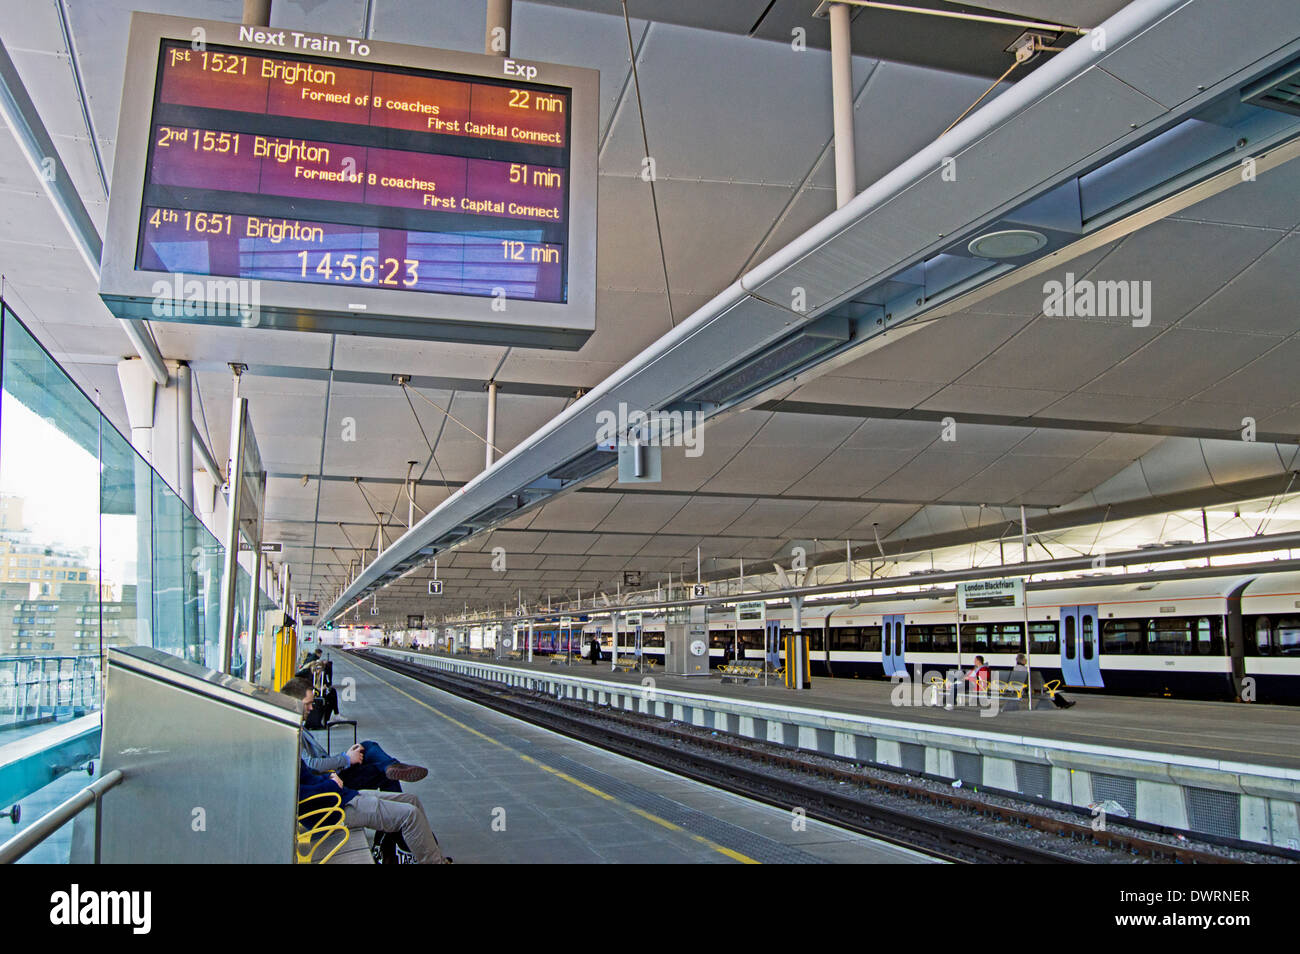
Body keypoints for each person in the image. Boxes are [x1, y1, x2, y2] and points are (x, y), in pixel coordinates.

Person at [281, 676, 429, 789]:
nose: (312, 708)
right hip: (331, 780)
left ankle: (393, 766)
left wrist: (347, 756)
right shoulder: (291, 731)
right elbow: (312, 765)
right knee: (382, 773)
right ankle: (397, 824)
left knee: (368, 746)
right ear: (294, 703)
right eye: (308, 704)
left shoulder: (297, 725)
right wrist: (346, 759)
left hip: (333, 772)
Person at [298, 762, 448, 864]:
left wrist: (330, 778)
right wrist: (331, 784)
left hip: (342, 796)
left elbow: (312, 775)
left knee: (411, 800)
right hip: (334, 810)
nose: (311, 712)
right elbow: (301, 794)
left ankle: (433, 856)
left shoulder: (289, 745)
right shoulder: (284, 755)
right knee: (410, 815)